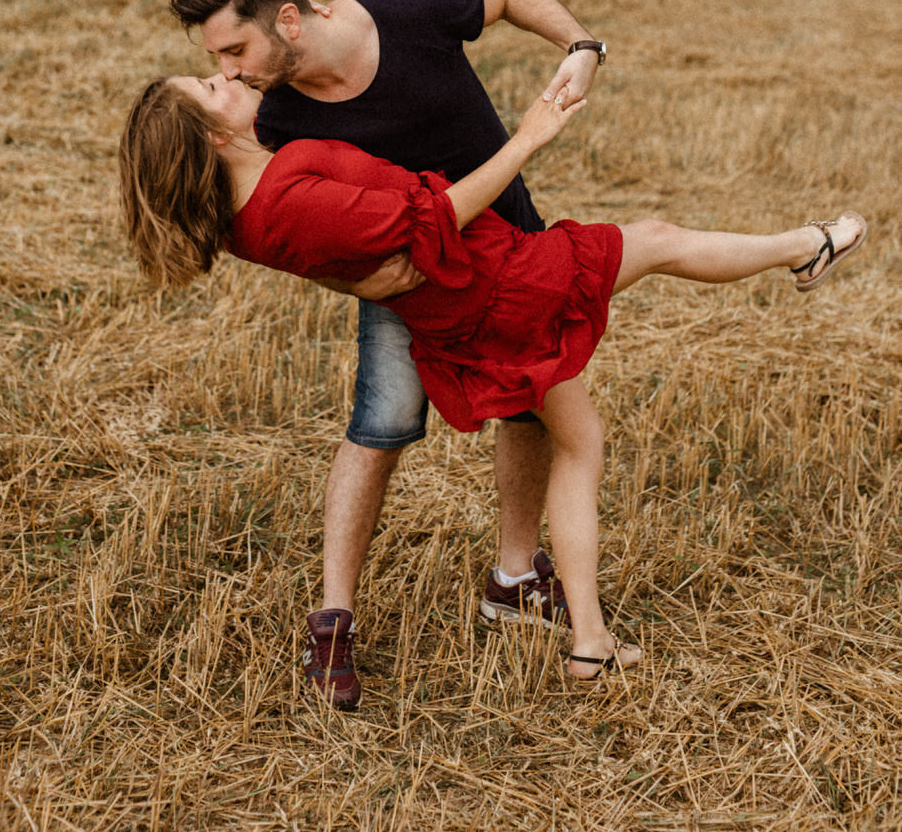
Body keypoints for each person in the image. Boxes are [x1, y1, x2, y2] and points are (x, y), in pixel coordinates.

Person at [119, 69, 867, 702]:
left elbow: (348, 249)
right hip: (493, 285)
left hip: (464, 303)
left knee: (581, 430)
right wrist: (529, 136)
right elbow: (432, 219)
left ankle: (588, 639)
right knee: (654, 245)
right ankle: (807, 246)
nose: (227, 75)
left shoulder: (246, 216)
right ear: (213, 138)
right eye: (210, 86)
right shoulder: (285, 197)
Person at [168, 0, 607, 707]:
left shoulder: (403, 10)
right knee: (382, 424)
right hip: (405, 285)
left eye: (235, 50)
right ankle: (332, 623)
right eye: (218, 62)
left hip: (506, 243)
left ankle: (512, 579)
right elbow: (284, 228)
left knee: (531, 408)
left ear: (287, 19)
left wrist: (581, 45)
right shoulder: (270, 116)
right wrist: (355, 281)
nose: (230, 72)